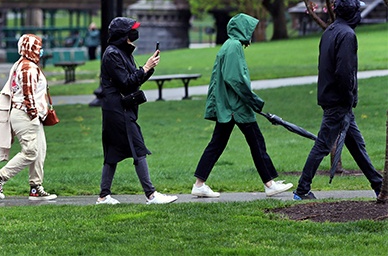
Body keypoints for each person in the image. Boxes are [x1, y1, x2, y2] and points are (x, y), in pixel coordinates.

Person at [190, 13, 293, 199]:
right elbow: (234, 79)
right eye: (250, 29)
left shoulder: (230, 45)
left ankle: (199, 184)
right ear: (242, 30)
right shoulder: (234, 46)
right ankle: (269, 184)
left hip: (229, 106)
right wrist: (253, 101)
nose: (252, 33)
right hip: (235, 107)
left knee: (217, 144)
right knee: (256, 142)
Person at [294, 0, 383, 200]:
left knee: (356, 145)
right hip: (338, 101)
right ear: (352, 12)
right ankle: (302, 190)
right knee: (323, 145)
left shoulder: (330, 31)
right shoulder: (347, 35)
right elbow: (344, 73)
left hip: (333, 99)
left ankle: (379, 186)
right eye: (358, 10)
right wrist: (349, 96)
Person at [96, 17, 177, 205]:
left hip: (121, 109)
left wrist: (148, 69)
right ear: (122, 35)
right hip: (118, 111)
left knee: (112, 153)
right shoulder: (112, 54)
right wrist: (146, 67)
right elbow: (125, 82)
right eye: (131, 30)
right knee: (137, 149)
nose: (135, 34)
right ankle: (151, 194)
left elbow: (134, 79)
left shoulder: (123, 52)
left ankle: (103, 196)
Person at [0, 33, 57, 201]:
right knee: (31, 151)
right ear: (30, 48)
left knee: (40, 150)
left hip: (27, 115)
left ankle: (36, 188)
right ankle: (0, 177)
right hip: (26, 115)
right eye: (38, 47)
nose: (40, 51)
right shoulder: (28, 68)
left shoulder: (23, 64)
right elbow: (28, 94)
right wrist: (34, 113)